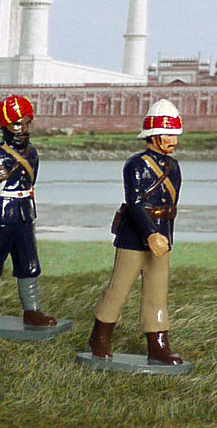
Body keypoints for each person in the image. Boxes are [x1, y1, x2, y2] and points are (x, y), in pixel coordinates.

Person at [88, 99, 184, 365]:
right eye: (167, 134)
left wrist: (163, 236)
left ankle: (158, 345)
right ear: (152, 135)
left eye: (175, 135)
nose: (172, 141)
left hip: (162, 239)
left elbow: (169, 206)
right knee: (118, 290)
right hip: (134, 239)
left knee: (157, 293)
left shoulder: (173, 167)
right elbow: (136, 203)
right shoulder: (136, 165)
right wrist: (150, 234)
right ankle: (100, 336)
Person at [0, 94, 56, 328]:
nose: (23, 129)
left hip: (24, 214)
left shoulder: (32, 153)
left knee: (29, 264)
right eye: (17, 123)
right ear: (4, 126)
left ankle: (32, 311)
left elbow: (31, 180)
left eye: (27, 123)